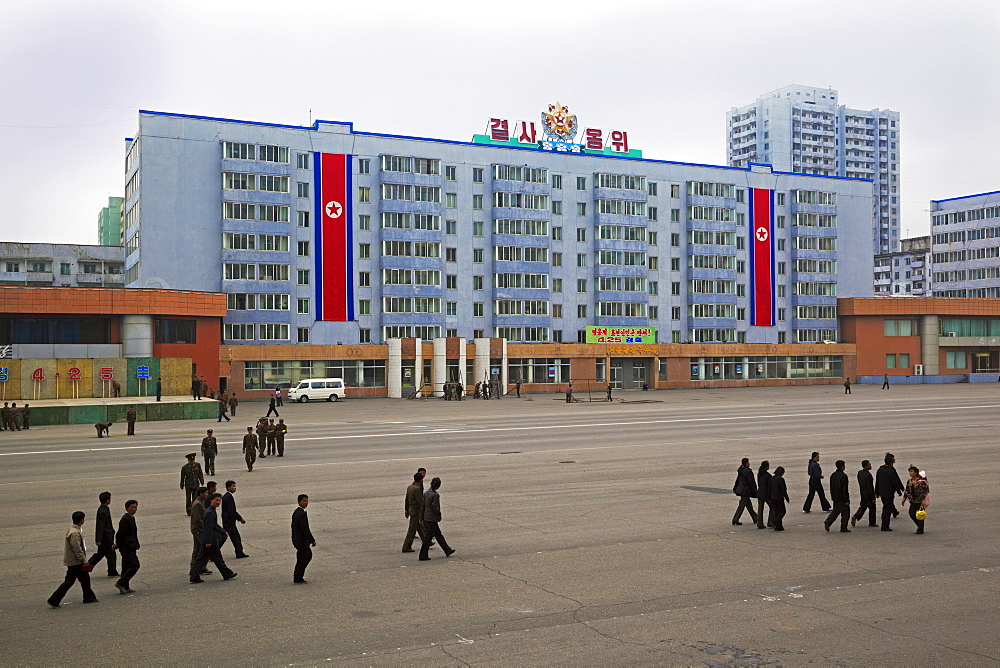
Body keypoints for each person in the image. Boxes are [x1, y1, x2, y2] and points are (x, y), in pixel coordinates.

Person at [47, 511, 98, 607]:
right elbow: (77, 549)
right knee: (69, 582)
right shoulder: (74, 533)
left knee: (85, 579)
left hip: (76, 561)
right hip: (75, 562)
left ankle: (89, 597)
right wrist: (84, 559)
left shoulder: (74, 530)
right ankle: (54, 599)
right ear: (82, 520)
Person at [190, 493, 237, 583]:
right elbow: (208, 528)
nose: (218, 502)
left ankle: (194, 576)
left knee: (202, 558)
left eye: (219, 500)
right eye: (216, 500)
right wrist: (208, 541)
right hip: (210, 540)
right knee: (217, 558)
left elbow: (214, 525)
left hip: (207, 539)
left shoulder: (211, 511)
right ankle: (227, 573)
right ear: (211, 500)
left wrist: (222, 531)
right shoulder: (210, 512)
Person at [419, 477, 454, 560]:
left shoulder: (426, 493)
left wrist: (421, 517)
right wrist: (439, 515)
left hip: (426, 517)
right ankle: (423, 555)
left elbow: (423, 506)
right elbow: (435, 508)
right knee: (428, 537)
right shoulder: (435, 495)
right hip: (432, 518)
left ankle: (447, 549)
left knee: (438, 535)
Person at [87, 491, 118, 577]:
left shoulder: (103, 509)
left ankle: (86, 567)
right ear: (107, 500)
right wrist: (98, 540)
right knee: (111, 555)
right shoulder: (103, 511)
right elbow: (100, 526)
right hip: (105, 538)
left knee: (100, 554)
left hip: (106, 537)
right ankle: (112, 571)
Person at [114, 500, 140, 594]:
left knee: (126, 566)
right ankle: (121, 583)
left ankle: (125, 586)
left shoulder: (131, 518)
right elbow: (120, 533)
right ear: (126, 508)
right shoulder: (125, 519)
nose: (134, 509)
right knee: (135, 565)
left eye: (135, 507)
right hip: (127, 547)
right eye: (132, 507)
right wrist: (117, 544)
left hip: (130, 546)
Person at [875, 452, 905, 531]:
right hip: (889, 493)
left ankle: (887, 517)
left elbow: (877, 481)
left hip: (882, 492)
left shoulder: (880, 470)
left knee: (886, 506)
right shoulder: (891, 471)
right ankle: (885, 525)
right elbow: (895, 482)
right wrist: (899, 490)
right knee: (887, 509)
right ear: (891, 462)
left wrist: (877, 492)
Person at [292, 494, 316, 583]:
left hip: (299, 540)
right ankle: (298, 576)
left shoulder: (297, 512)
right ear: (299, 502)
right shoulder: (301, 514)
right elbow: (305, 528)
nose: (306, 503)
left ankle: (298, 575)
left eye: (307, 501)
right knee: (304, 557)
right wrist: (312, 540)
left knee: (305, 557)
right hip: (301, 541)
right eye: (304, 501)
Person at [222, 480, 249, 559]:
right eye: (233, 486)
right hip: (228, 521)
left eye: (235, 486)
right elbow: (232, 510)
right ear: (228, 488)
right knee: (222, 538)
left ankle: (239, 552)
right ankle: (212, 554)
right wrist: (240, 519)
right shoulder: (228, 497)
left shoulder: (228, 496)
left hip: (230, 521)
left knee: (235, 537)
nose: (235, 488)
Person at [189, 487, 212, 576]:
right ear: (200, 494)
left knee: (199, 548)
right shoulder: (197, 504)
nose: (207, 494)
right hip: (198, 530)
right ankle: (194, 568)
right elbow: (198, 519)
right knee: (200, 549)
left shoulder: (201, 502)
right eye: (205, 493)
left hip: (199, 530)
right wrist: (204, 529)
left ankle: (200, 567)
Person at [824, 460, 851, 532]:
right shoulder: (844, 476)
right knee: (845, 513)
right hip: (842, 498)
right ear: (842, 467)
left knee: (836, 511)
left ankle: (828, 521)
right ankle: (843, 527)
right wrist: (847, 499)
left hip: (835, 497)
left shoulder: (833, 475)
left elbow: (831, 486)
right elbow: (844, 489)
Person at [402, 472, 426, 553]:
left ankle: (426, 541)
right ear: (421, 480)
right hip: (416, 511)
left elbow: (406, 499)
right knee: (412, 530)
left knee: (421, 528)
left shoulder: (410, 487)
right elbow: (420, 502)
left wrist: (406, 510)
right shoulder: (416, 489)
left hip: (411, 510)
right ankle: (406, 546)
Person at [903, 466, 930, 534]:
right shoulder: (909, 481)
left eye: (912, 471)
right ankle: (919, 525)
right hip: (913, 500)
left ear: (916, 473)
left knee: (920, 514)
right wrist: (904, 499)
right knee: (911, 513)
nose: (910, 473)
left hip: (920, 501)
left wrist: (923, 500)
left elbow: (925, 491)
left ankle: (920, 529)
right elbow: (907, 490)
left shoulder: (922, 482)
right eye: (909, 471)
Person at [732, 457, 758, 526]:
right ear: (746, 463)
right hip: (746, 490)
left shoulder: (741, 470)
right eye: (748, 462)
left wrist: (735, 488)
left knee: (748, 504)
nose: (749, 463)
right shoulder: (748, 471)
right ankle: (735, 519)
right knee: (742, 504)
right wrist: (755, 491)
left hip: (741, 488)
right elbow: (751, 482)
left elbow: (738, 480)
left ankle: (755, 517)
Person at [851, 460, 877, 527]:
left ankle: (856, 516)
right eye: (869, 465)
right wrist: (873, 497)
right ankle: (872, 522)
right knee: (872, 508)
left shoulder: (860, 473)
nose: (870, 466)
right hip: (868, 495)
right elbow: (870, 487)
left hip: (863, 493)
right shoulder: (868, 475)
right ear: (865, 466)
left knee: (863, 507)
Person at [769, 467, 789, 531]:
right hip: (779, 497)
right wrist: (786, 498)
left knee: (777, 511)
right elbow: (783, 490)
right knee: (783, 511)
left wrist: (769, 497)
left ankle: (779, 526)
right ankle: (775, 521)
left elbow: (769, 488)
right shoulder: (780, 479)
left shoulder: (771, 478)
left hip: (772, 497)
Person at [756, 461, 772, 529]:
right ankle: (770, 522)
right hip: (766, 494)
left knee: (760, 509)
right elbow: (769, 486)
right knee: (772, 507)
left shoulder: (760, 474)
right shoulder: (768, 475)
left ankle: (759, 523)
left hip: (760, 493)